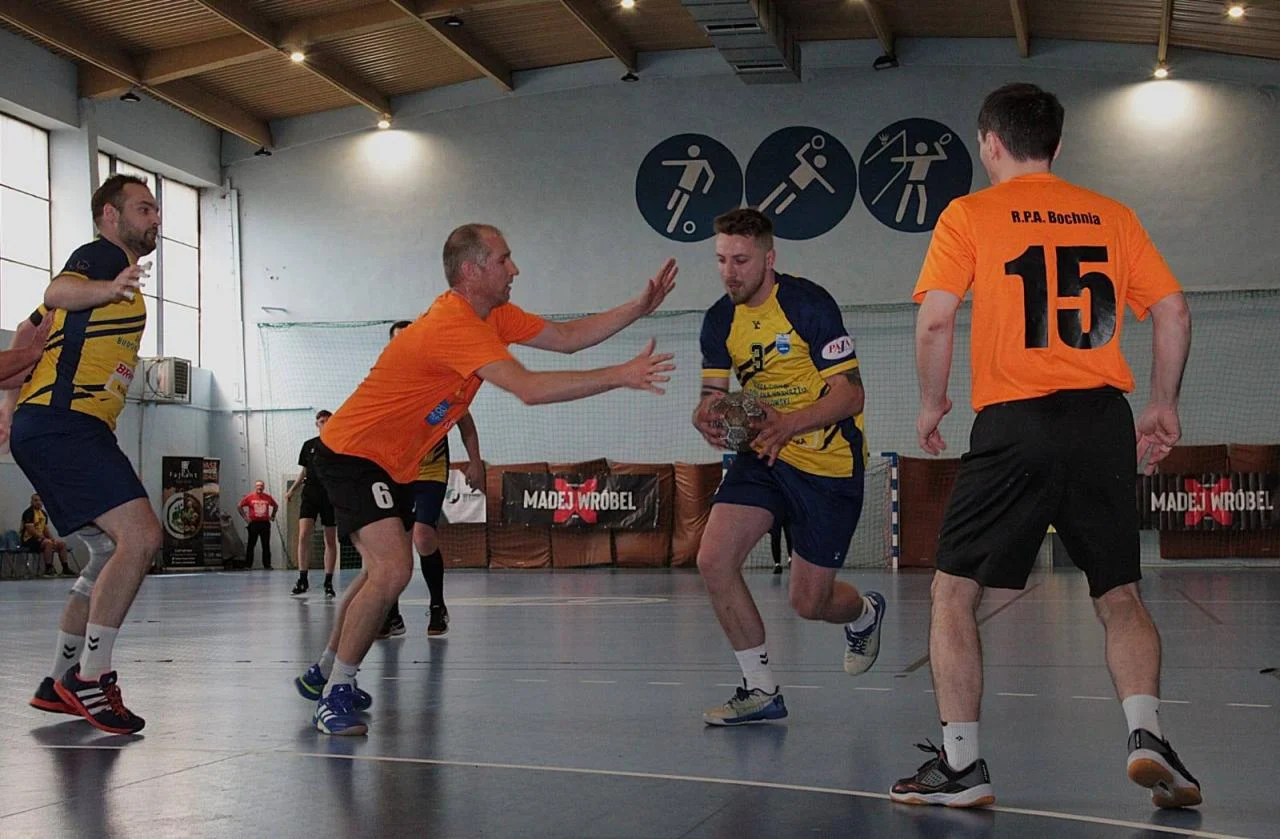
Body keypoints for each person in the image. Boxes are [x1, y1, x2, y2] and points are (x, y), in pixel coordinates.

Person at [889, 83, 1199, 810]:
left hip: (1016, 422)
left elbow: (935, 322)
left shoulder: (968, 214)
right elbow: (1174, 312)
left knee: (953, 591)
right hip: (1102, 420)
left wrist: (933, 400)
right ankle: (1148, 733)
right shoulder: (1113, 215)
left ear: (990, 143)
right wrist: (1162, 403)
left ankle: (962, 764)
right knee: (1118, 591)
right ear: (1057, 144)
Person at [294, 222, 677, 735]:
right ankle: (336, 693)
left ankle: (322, 673)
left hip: (394, 462)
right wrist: (620, 375)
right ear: (472, 271)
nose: (515, 269)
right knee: (392, 570)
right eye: (504, 260)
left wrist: (638, 308)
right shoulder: (453, 324)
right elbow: (529, 389)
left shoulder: (493, 314)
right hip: (352, 453)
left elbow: (566, 339)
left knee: (375, 573)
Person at [692, 208, 886, 727]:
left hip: (826, 463)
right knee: (714, 560)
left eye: (740, 260)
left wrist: (790, 423)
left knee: (809, 602)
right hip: (764, 456)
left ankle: (865, 614)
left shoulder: (808, 304)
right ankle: (760, 690)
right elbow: (712, 395)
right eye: (721, 260)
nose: (729, 272)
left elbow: (851, 394)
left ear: (769, 258)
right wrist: (704, 417)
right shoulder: (719, 321)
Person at [6, 173, 162, 735]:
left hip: (58, 425)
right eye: (143, 208)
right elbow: (54, 294)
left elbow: (30, 327)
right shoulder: (100, 259)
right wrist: (107, 287)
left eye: (156, 210)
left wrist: (7, 407)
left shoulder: (111, 278)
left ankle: (57, 681)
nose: (155, 218)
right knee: (141, 537)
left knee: (106, 551)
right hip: (64, 424)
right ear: (109, 216)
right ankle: (92, 678)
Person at [381, 319, 487, 639]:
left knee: (423, 536)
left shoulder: (441, 381)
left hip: (429, 469)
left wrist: (475, 462)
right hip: (395, 472)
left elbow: (465, 423)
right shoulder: (383, 384)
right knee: (394, 544)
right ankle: (392, 613)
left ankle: (438, 605)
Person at [284, 411, 340, 598]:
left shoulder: (339, 445)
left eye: (328, 421)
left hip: (329, 495)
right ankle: (302, 579)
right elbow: (304, 472)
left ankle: (328, 582)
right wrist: (292, 490)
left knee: (330, 539)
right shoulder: (309, 445)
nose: (325, 424)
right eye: (321, 421)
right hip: (310, 494)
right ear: (317, 424)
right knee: (303, 535)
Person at [22, 493, 76, 576]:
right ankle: (48, 568)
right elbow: (31, 530)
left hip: (40, 539)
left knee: (61, 544)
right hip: (29, 540)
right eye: (36, 500)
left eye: (40, 500)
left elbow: (45, 529)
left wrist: (52, 539)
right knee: (48, 543)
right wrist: (43, 538)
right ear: (31, 502)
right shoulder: (28, 513)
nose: (38, 502)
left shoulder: (43, 513)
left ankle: (65, 568)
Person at [237, 480, 279, 569]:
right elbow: (239, 506)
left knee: (266, 545)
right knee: (251, 545)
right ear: (255, 487)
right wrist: (245, 518)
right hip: (254, 524)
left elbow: (276, 506)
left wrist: (273, 516)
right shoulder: (250, 497)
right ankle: (248, 565)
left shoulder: (268, 497)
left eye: (261, 486)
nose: (259, 487)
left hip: (265, 524)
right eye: (258, 485)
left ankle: (267, 565)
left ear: (263, 487)